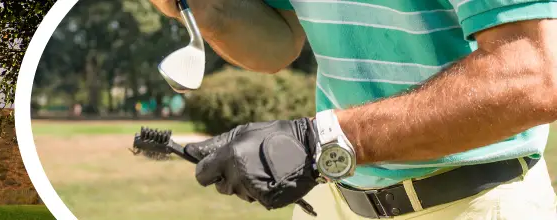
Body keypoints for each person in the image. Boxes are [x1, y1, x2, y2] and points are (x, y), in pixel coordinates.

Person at [149, 1, 557, 219]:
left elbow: (533, 76)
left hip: (475, 205)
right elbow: (279, 43)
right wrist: (210, 10)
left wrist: (324, 141)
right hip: (337, 202)